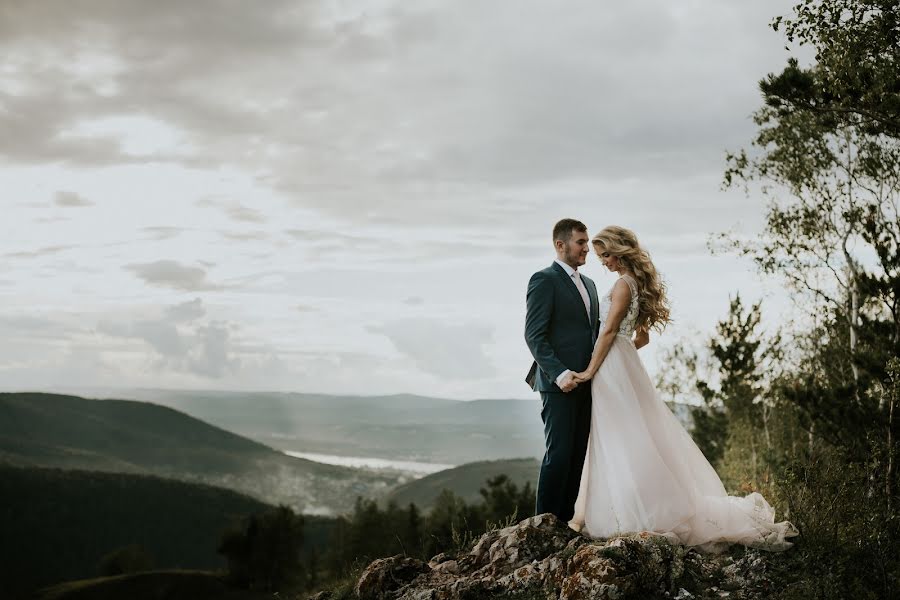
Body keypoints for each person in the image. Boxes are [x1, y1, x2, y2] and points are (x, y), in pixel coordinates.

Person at [568, 225, 798, 552]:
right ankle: (631, 507)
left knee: (616, 436)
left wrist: (593, 368)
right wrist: (625, 354)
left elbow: (607, 334)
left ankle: (628, 512)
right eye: (600, 255)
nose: (602, 261)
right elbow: (641, 338)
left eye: (605, 255)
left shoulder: (622, 286)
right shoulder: (637, 285)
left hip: (610, 366)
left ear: (619, 252)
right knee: (629, 436)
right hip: (622, 363)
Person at [524, 218, 600, 524]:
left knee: (577, 455)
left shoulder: (591, 285)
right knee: (558, 455)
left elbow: (592, 334)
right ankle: (543, 526)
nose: (587, 249)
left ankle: (564, 525)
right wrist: (559, 373)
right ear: (561, 244)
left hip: (588, 383)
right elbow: (534, 335)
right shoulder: (543, 280)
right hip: (558, 384)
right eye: (581, 242)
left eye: (587, 242)